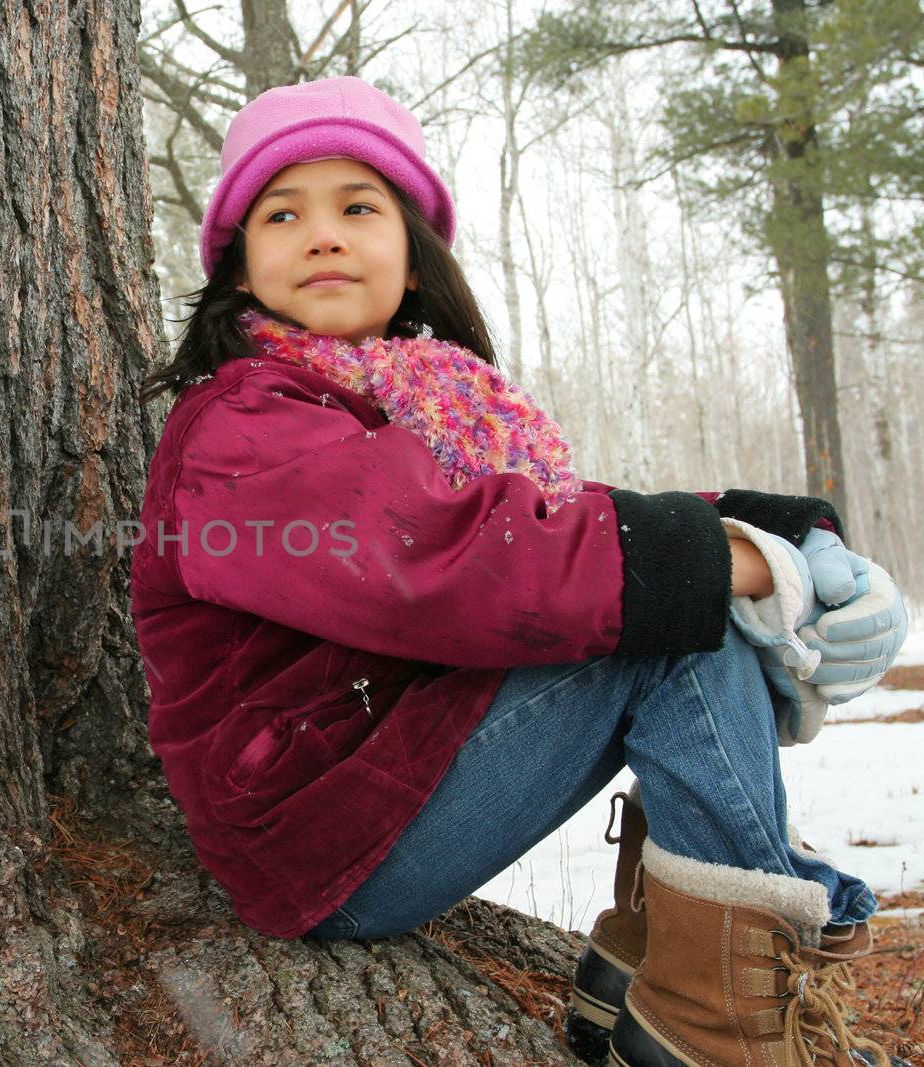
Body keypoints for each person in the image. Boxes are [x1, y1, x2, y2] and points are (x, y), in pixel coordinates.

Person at [128, 76, 911, 1067]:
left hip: (374, 777)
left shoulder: (421, 407)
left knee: (669, 596)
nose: (321, 234)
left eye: (357, 207)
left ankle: (653, 975)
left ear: (414, 256)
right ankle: (714, 1026)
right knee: (672, 618)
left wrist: (782, 535)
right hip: (318, 834)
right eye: (282, 214)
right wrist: (740, 565)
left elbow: (551, 524)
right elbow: (451, 560)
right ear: (237, 268)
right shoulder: (246, 429)